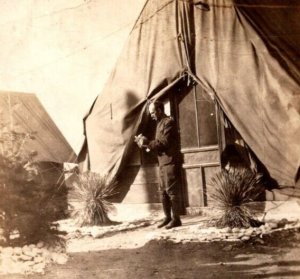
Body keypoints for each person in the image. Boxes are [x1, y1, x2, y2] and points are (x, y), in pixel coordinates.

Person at [135, 100, 182, 229]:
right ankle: (167, 218)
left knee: (171, 191)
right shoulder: (159, 123)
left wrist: (147, 143)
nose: (152, 115)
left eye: (153, 112)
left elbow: (164, 142)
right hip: (162, 162)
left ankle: (176, 219)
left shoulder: (169, 122)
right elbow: (157, 142)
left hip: (170, 162)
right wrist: (143, 142)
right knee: (163, 192)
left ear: (160, 110)